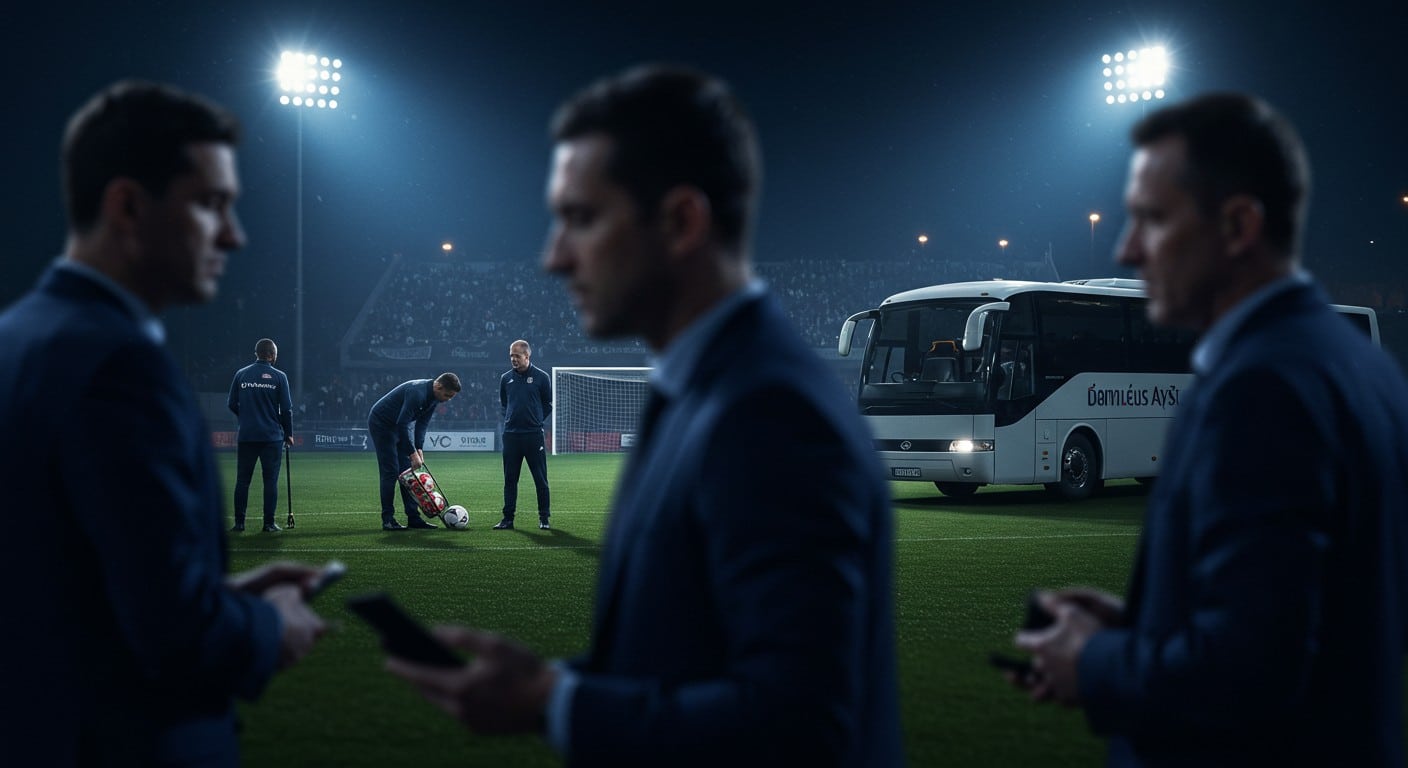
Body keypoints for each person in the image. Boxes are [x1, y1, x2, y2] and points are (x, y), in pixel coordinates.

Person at [383, 64, 903, 767]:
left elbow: (798, 723)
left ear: (682, 221)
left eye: (582, 218)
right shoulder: (695, 389)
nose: (553, 258)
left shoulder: (772, 415)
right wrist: (556, 682)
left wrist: (555, 705)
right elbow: (685, 657)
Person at [1011, 93, 1408, 766]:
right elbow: (1316, 619)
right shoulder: (1364, 368)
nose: (1126, 249)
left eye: (1152, 220)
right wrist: (1145, 627)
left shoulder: (1262, 389)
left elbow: (1247, 674)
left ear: (1239, 225)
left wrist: (1097, 662)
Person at [0, 80, 328, 766]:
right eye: (211, 205)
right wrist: (269, 627)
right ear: (126, 205)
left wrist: (217, 594)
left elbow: (67, 579)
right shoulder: (121, 365)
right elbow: (175, 636)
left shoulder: (18, 336)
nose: (235, 235)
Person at [368, 373, 461, 530]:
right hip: (382, 424)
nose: (448, 400)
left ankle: (414, 518)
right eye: (447, 395)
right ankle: (388, 520)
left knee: (408, 474)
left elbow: (422, 424)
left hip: (400, 425)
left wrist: (419, 449)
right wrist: (412, 454)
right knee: (390, 472)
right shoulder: (416, 393)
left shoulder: (434, 397)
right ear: (439, 386)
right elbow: (402, 424)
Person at [228, 337, 294, 532]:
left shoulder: (241, 374)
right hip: (271, 437)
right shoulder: (279, 376)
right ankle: (268, 523)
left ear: (256, 353)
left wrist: (246, 417)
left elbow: (231, 403)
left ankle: (239, 523)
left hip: (247, 435)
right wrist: (288, 433)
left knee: (242, 481)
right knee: (270, 481)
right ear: (272, 355)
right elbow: (286, 409)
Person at [495, 339, 552, 530]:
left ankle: (544, 518)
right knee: (510, 480)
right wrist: (510, 419)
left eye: (517, 356)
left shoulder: (542, 377)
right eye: (511, 355)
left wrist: (536, 420)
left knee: (540, 479)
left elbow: (548, 404)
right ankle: (507, 519)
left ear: (527, 356)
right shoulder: (505, 378)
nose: (513, 359)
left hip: (533, 435)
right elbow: (504, 404)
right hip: (511, 436)